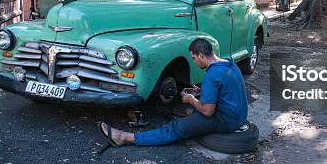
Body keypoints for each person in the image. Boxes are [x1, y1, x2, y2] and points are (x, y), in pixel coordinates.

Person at [97, 38, 248, 147]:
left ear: (201, 55)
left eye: (194, 58)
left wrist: (191, 100)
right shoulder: (228, 64)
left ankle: (124, 137)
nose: (194, 62)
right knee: (193, 115)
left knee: (177, 128)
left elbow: (208, 111)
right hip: (240, 116)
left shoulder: (212, 75)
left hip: (227, 121)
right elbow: (226, 89)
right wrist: (202, 91)